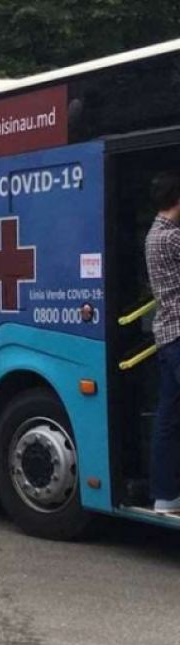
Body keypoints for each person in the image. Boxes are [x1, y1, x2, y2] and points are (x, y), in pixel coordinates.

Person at [144, 172, 180, 514]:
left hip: (167, 336)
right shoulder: (172, 238)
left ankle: (165, 496)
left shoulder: (153, 235)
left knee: (167, 419)